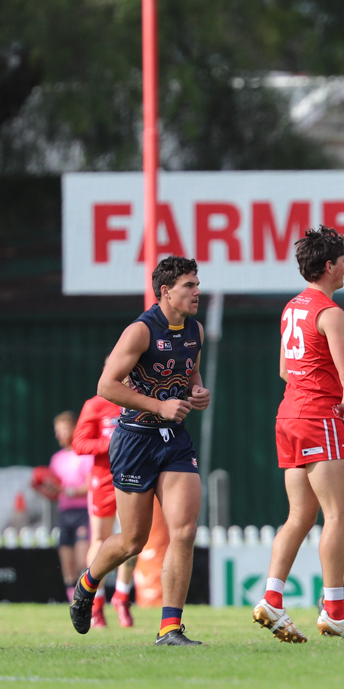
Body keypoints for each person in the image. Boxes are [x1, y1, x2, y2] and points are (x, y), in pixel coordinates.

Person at [254, 226, 344, 644]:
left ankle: (273, 598)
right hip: (317, 419)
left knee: (300, 516)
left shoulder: (292, 307)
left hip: (289, 414)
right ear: (329, 265)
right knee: (339, 516)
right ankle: (334, 611)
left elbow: (283, 370)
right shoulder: (330, 311)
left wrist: (336, 402)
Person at [68, 256, 210, 645]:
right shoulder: (140, 331)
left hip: (175, 440)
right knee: (134, 541)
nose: (198, 291)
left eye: (197, 284)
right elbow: (106, 386)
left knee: (183, 531)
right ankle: (87, 583)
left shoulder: (195, 330)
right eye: (189, 285)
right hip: (135, 441)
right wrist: (159, 405)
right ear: (166, 292)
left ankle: (170, 629)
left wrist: (196, 391)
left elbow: (190, 370)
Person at [72, 393, 135, 628]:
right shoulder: (95, 404)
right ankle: (95, 603)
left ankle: (122, 597)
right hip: (103, 479)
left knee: (134, 537)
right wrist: (109, 443)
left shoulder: (142, 398)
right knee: (99, 539)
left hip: (133, 474)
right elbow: (79, 443)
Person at [47, 411, 93, 604]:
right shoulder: (56, 459)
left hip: (83, 513)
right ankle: (72, 603)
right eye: (57, 431)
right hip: (65, 514)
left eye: (63, 429)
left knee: (83, 561)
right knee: (67, 564)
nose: (59, 434)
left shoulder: (84, 455)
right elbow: (54, 492)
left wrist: (68, 490)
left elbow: (91, 483)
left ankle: (88, 599)